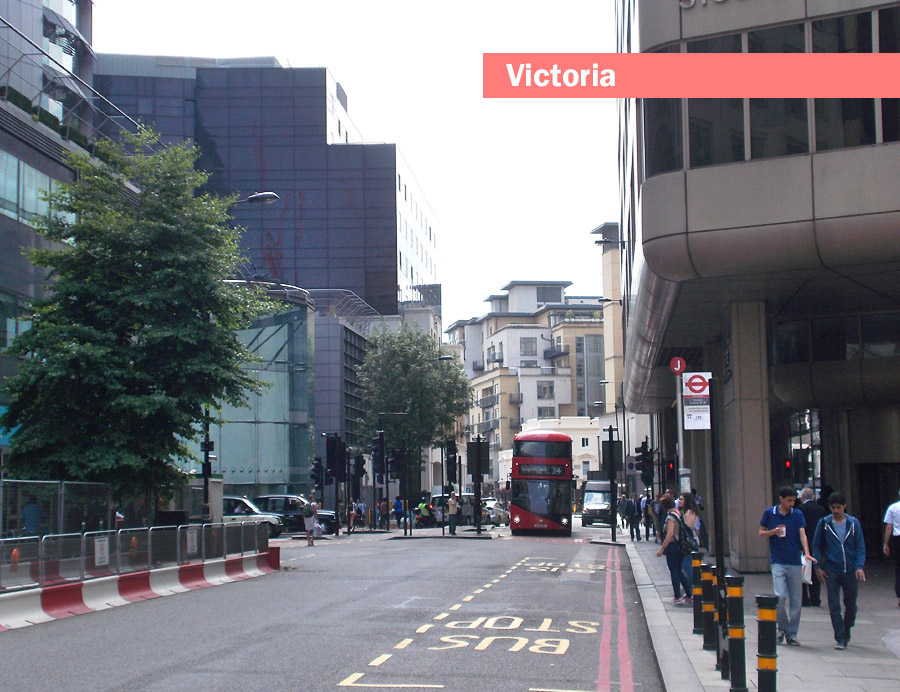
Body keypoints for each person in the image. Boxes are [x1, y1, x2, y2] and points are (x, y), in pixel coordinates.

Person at [759, 486, 815, 646]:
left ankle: (791, 633)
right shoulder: (770, 513)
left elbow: (802, 533)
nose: (792, 503)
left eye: (793, 500)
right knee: (780, 596)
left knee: (796, 601)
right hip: (777, 561)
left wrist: (807, 552)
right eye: (789, 500)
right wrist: (773, 532)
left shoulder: (797, 514)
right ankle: (782, 627)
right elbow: (761, 533)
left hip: (795, 561)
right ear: (781, 499)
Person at [812, 492, 866, 650]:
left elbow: (860, 546)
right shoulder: (824, 523)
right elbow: (817, 545)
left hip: (849, 569)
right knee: (833, 604)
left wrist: (859, 566)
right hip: (832, 569)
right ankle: (840, 637)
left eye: (838, 507)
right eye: (833, 508)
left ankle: (847, 627)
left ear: (844, 507)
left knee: (850, 604)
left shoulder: (853, 524)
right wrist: (818, 567)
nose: (835, 511)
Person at [656, 495, 692, 604]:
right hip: (680, 545)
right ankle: (689, 595)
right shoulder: (678, 513)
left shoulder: (670, 517)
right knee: (679, 571)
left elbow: (670, 533)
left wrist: (662, 548)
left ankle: (677, 597)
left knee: (674, 571)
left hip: (672, 546)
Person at [798, 487, 827, 607]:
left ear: (802, 497)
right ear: (813, 497)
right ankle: (815, 598)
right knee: (816, 570)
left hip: (803, 544)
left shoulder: (800, 510)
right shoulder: (821, 510)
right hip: (817, 544)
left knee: (803, 570)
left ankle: (804, 599)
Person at [882, 489, 900, 606]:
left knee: (899, 567)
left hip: (897, 539)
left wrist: (885, 543)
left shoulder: (893, 508)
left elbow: (889, 527)